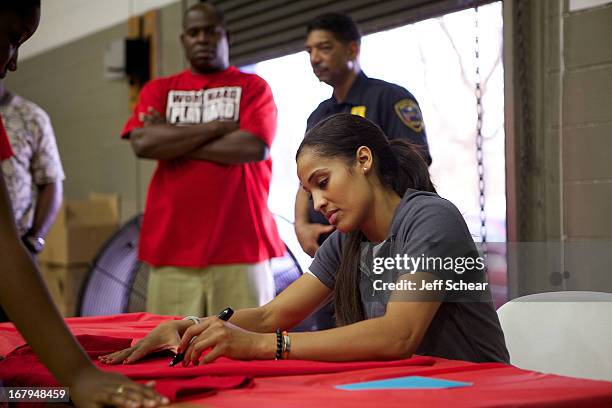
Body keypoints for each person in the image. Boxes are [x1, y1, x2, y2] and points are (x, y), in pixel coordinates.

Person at [100, 114, 508, 367]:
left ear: (363, 161)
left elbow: (397, 336)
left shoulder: (431, 218)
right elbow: (270, 315)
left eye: (323, 183)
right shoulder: (348, 241)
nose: (317, 202)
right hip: (413, 389)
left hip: (477, 391)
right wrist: (186, 327)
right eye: (309, 192)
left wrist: (265, 348)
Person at [0, 1, 168, 406]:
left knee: (23, 391)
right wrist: (76, 376)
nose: (14, 62)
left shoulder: (29, 117)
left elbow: (37, 200)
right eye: (12, 39)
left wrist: (33, 239)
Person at [122, 2, 284, 317]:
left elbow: (252, 146)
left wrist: (171, 137)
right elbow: (142, 143)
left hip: (242, 247)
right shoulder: (160, 90)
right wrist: (215, 128)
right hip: (172, 249)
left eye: (211, 31)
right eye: (194, 33)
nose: (202, 39)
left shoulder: (252, 87)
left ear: (227, 37)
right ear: (183, 40)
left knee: (248, 346)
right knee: (173, 349)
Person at [295, 12, 432, 257]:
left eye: (324, 48)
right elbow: (306, 180)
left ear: (352, 50)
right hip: (331, 247)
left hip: (383, 241)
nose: (314, 58)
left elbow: (414, 163)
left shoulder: (390, 98)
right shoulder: (318, 115)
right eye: (309, 51)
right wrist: (301, 225)